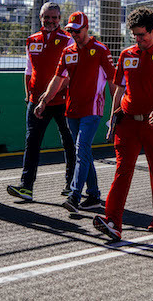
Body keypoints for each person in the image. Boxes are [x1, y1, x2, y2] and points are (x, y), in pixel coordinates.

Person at [93, 8, 153, 241]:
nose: (138, 39)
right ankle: (112, 221)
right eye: (134, 35)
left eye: (142, 35)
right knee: (122, 170)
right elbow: (119, 88)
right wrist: (112, 118)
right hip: (127, 123)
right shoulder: (126, 55)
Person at [35, 11, 116, 213]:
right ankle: (95, 195)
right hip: (71, 110)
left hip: (93, 109)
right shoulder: (68, 51)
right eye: (71, 30)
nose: (74, 34)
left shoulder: (100, 50)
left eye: (77, 31)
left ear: (86, 28)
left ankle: (74, 196)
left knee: (80, 150)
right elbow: (58, 79)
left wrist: (116, 111)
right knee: (84, 152)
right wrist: (44, 99)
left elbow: (114, 82)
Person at [7, 2, 76, 202]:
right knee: (32, 142)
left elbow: (71, 74)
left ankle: (71, 186)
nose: (50, 21)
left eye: (54, 17)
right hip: (36, 102)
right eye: (47, 17)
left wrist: (51, 95)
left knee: (69, 143)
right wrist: (28, 96)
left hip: (62, 101)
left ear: (60, 19)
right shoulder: (31, 41)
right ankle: (26, 187)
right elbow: (28, 71)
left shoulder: (68, 40)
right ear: (40, 17)